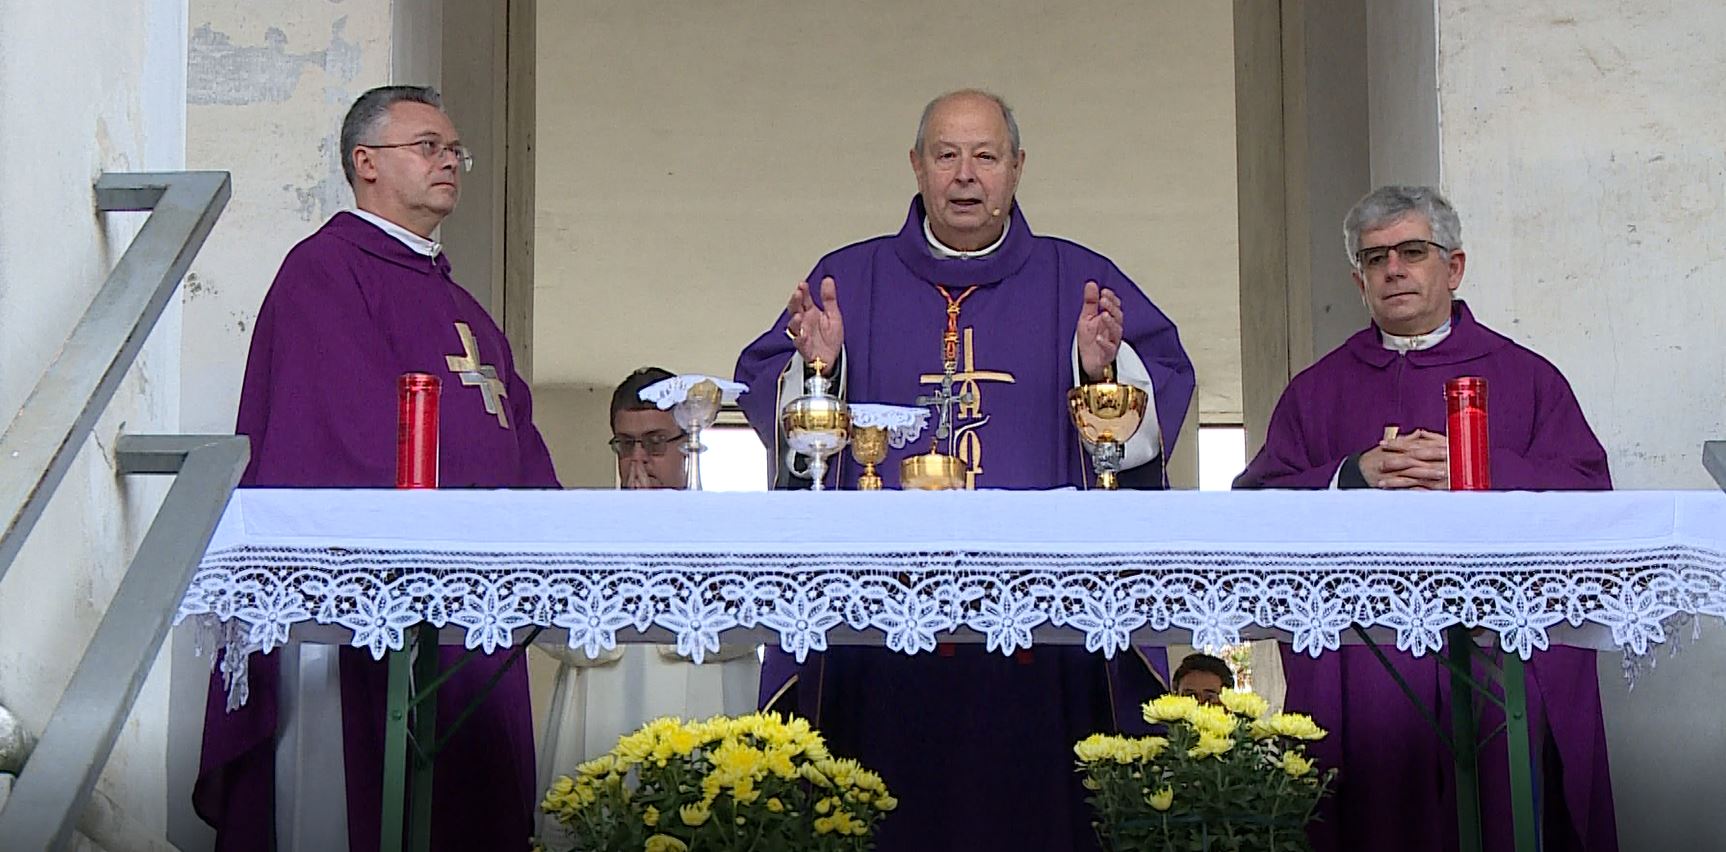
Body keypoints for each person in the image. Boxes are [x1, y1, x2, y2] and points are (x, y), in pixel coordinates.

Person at [734, 89, 1195, 852]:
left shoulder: (1078, 277)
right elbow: (774, 396)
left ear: (1017, 167)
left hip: (1049, 639)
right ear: (916, 167)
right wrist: (824, 368)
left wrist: (1098, 370)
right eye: (945, 155)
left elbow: (1158, 399)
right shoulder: (848, 279)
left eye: (985, 155)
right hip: (877, 636)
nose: (964, 174)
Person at [195, 85, 559, 851]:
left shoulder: (465, 308)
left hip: (475, 606)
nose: (450, 162)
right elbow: (332, 433)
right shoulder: (323, 274)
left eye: (454, 149)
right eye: (428, 146)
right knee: (359, 806)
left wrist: (546, 532)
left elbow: (518, 438)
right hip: (372, 610)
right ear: (366, 164)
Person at [1235, 185, 1616, 852]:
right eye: (1375, 257)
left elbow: (1590, 493)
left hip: (1498, 648)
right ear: (1358, 279)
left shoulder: (1527, 379)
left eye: (1413, 251)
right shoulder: (1318, 391)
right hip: (1369, 658)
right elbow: (1256, 506)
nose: (1393, 269)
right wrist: (1353, 475)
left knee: (1505, 813)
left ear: (1454, 267)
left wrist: (1481, 469)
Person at [536, 368, 760, 815]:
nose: (638, 458)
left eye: (655, 442)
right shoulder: (582, 535)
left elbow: (751, 625)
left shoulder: (733, 533)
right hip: (602, 714)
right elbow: (546, 627)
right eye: (626, 444)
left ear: (688, 443)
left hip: (706, 713)